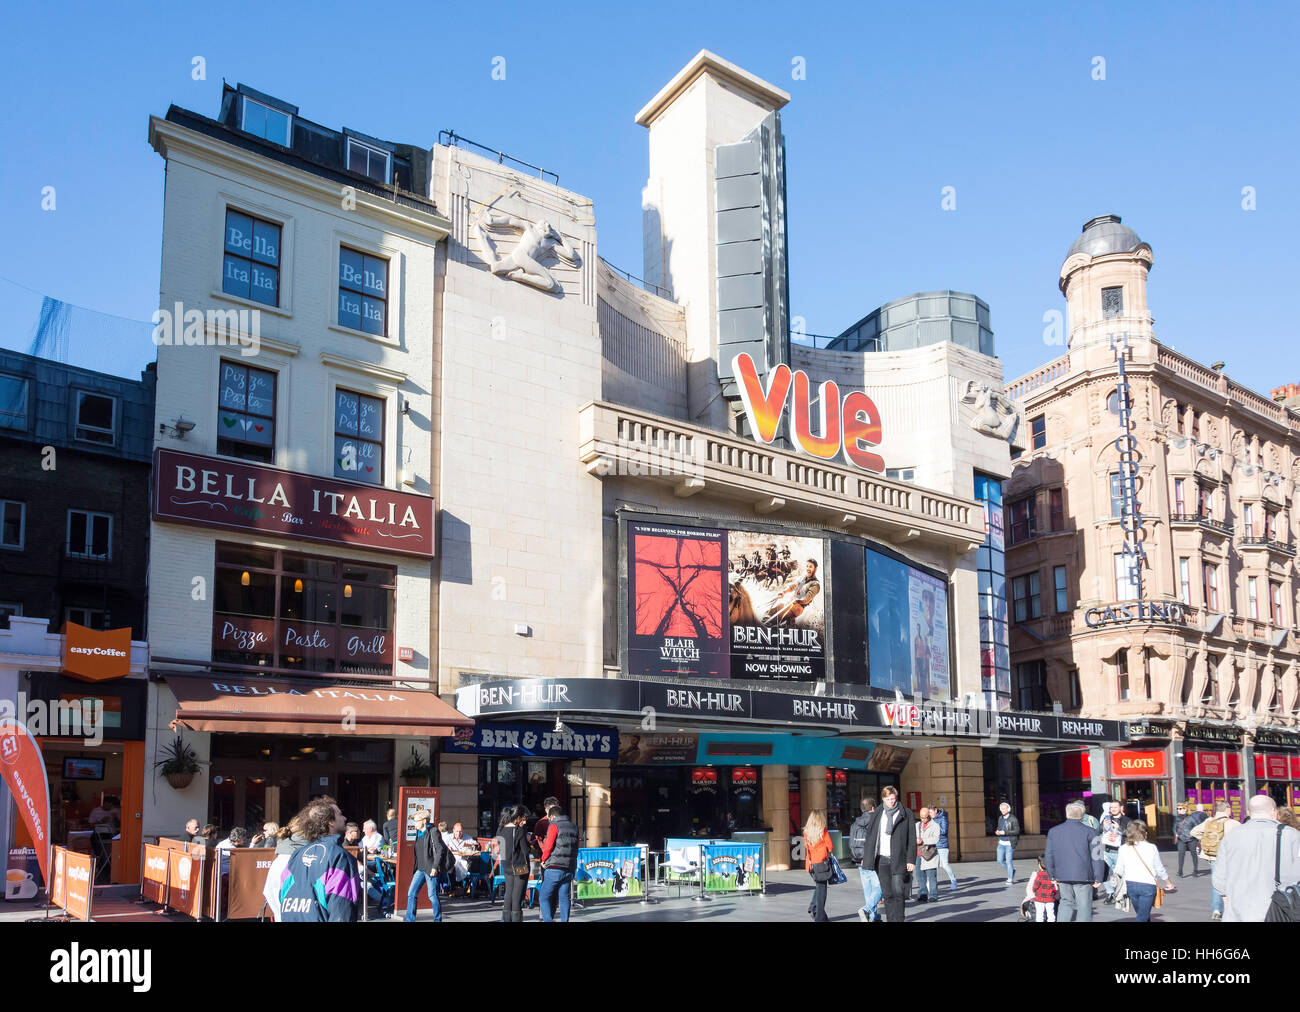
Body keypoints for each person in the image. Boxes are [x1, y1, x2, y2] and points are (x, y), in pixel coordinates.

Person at [1213, 793, 1300, 922]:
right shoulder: (1292, 835)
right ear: (1274, 811)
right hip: (1280, 911)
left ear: (1249, 812)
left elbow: (1219, 878)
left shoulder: (1232, 836)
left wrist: (1226, 898)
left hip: (1238, 911)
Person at [278, 797, 360, 922]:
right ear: (330, 822)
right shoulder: (340, 857)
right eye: (340, 814)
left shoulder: (296, 855)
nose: (344, 818)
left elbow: (282, 895)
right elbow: (341, 910)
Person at [860, 785, 916, 922]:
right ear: (883, 799)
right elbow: (871, 836)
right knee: (887, 894)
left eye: (893, 798)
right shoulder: (878, 812)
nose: (891, 802)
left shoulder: (905, 813)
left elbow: (912, 838)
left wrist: (911, 860)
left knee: (899, 892)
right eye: (888, 799)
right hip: (882, 860)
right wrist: (866, 858)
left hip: (899, 859)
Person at [1045, 801, 1105, 922]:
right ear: (1082, 815)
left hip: (1062, 874)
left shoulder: (1053, 831)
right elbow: (1098, 856)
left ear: (1067, 814)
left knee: (1065, 902)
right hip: (1084, 875)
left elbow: (1049, 855)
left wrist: (1051, 875)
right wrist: (1099, 877)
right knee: (1084, 906)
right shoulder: (1092, 832)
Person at [1112, 821, 1174, 922]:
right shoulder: (1151, 847)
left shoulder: (1123, 848)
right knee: (1143, 916)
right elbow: (1159, 868)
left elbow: (1119, 869)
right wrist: (1168, 883)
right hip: (1148, 885)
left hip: (1130, 884)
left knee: (1142, 914)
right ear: (1144, 833)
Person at [1190, 800, 1239, 920]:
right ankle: (1231, 908)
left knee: (1216, 883)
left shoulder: (1208, 821)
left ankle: (1216, 909)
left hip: (1213, 856)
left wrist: (1205, 840)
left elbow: (1193, 831)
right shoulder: (1233, 823)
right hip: (1229, 858)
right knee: (1232, 882)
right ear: (1227, 809)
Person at [405, 807, 451, 922]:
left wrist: (435, 867)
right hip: (420, 869)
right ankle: (409, 919)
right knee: (411, 893)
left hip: (430, 868)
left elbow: (440, 850)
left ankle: (437, 919)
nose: (414, 823)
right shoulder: (419, 832)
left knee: (432, 895)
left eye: (416, 821)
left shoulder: (433, 831)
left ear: (424, 821)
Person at [537, 802, 580, 922]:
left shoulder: (554, 826)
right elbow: (577, 846)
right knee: (564, 897)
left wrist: (543, 859)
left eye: (550, 818)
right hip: (569, 867)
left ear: (552, 816)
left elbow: (549, 846)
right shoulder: (574, 826)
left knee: (544, 897)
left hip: (555, 867)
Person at [849, 796, 883, 922]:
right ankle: (867, 909)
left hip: (858, 860)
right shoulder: (876, 821)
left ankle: (874, 917)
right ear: (873, 808)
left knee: (868, 890)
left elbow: (851, 842)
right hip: (872, 860)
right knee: (881, 887)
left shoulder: (855, 823)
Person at [497, 805, 531, 922]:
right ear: (518, 817)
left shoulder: (500, 829)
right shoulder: (518, 830)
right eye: (523, 818)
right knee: (516, 899)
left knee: (509, 896)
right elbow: (526, 850)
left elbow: (501, 848)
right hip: (519, 866)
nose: (524, 821)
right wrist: (528, 840)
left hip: (506, 865)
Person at [802, 809, 833, 922]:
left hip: (811, 865)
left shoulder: (806, 832)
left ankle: (814, 908)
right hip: (822, 864)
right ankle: (820, 917)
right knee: (822, 889)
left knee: (819, 886)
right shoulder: (823, 831)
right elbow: (830, 847)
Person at [1098, 801, 1130, 899]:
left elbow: (1131, 834)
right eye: (1111, 807)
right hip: (1106, 850)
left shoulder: (1127, 820)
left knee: (1120, 873)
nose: (1113, 809)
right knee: (1106, 873)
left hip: (1119, 851)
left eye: (1115, 807)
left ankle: (1121, 893)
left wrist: (1119, 828)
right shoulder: (1106, 818)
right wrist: (1103, 826)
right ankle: (1110, 893)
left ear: (1121, 808)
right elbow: (1098, 830)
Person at [1173, 802, 1207, 877]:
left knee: (1193, 854)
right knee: (1181, 855)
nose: (1178, 810)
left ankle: (1195, 870)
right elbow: (1174, 827)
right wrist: (1176, 834)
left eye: (1180, 808)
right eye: (1177, 809)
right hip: (1181, 839)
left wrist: (1194, 835)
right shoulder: (1177, 818)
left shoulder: (1191, 818)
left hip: (1191, 839)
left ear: (1185, 809)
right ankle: (1180, 871)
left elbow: (1197, 827)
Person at [915, 807, 941, 902]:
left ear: (929, 816)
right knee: (920, 875)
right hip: (918, 854)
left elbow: (936, 839)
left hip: (930, 854)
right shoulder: (917, 825)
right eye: (921, 817)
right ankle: (923, 894)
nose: (923, 820)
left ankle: (933, 895)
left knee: (931, 875)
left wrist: (923, 840)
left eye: (925, 817)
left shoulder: (935, 826)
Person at [931, 804, 957, 892]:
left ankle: (953, 881)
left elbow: (944, 831)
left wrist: (933, 828)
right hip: (933, 845)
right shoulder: (931, 819)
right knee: (931, 866)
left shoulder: (943, 818)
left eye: (931, 812)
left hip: (942, 845)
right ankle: (931, 885)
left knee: (945, 865)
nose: (929, 814)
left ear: (935, 811)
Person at [994, 802, 1020, 884]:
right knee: (1000, 860)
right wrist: (997, 831)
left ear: (1008, 809)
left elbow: (1017, 831)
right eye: (1001, 808)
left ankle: (1010, 878)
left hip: (1010, 843)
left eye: (1004, 808)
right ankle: (1011, 871)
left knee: (1009, 861)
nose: (1002, 810)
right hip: (1001, 842)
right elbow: (999, 827)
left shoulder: (1013, 819)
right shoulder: (1000, 818)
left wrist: (1005, 833)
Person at [1028, 856, 1057, 922]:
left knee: (1040, 914)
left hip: (1039, 899)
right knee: (1051, 914)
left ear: (1040, 865)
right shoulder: (1052, 875)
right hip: (1050, 898)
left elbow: (1035, 886)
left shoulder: (1039, 874)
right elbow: (1055, 887)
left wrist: (1034, 890)